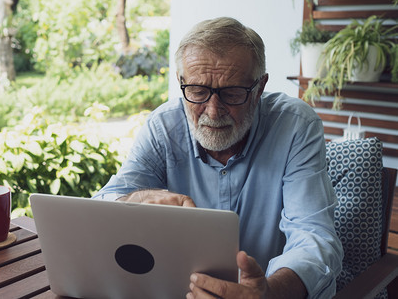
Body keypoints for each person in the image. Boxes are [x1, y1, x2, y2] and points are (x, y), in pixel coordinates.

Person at [94, 17, 343, 298]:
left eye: (232, 93)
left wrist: (269, 293)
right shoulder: (163, 126)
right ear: (181, 83)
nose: (213, 111)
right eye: (198, 92)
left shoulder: (296, 125)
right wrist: (133, 201)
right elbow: (101, 206)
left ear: (259, 88)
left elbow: (314, 239)